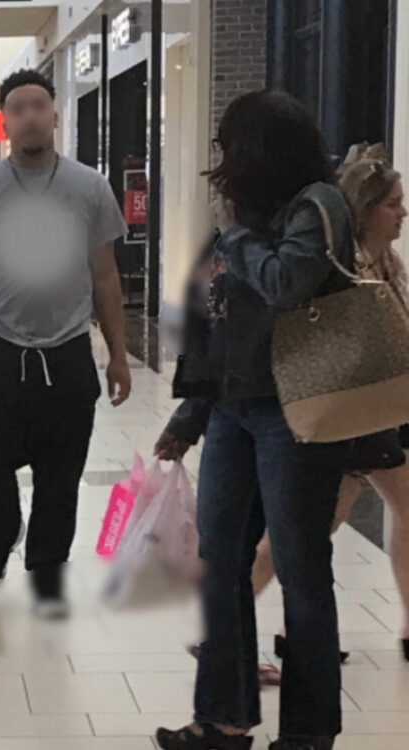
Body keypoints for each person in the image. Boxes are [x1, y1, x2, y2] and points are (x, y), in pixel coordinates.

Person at [154, 91, 357, 750]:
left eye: (230, 147)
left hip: (297, 410)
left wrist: (235, 234)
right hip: (234, 410)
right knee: (220, 564)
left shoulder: (317, 206)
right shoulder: (249, 215)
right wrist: (190, 415)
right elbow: (223, 322)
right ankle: (224, 718)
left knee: (301, 569)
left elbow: (285, 283)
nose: (223, 162)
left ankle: (308, 731)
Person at [159, 144, 409, 673]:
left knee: (309, 536)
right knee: (297, 542)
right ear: (362, 211)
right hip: (330, 409)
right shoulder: (332, 260)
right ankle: (230, 641)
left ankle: (247, 640)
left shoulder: (378, 261)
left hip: (348, 410)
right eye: (392, 203)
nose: (402, 212)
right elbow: (225, 326)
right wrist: (189, 417)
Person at [0, 69, 131, 617]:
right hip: (0, 350)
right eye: (17, 108)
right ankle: (0, 534)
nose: (28, 115)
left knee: (61, 475)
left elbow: (106, 280)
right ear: (4, 120)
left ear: (54, 114)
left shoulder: (89, 188)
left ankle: (47, 573)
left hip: (68, 353)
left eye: (37, 105)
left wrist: (117, 355)